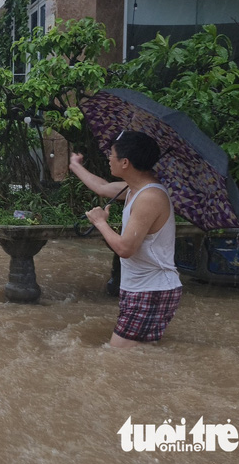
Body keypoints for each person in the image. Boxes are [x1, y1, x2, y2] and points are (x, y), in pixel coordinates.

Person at [68, 131, 182, 349]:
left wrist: (101, 222)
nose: (109, 160)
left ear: (125, 162)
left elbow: (125, 248)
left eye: (111, 155)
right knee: (137, 357)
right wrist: (75, 165)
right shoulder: (133, 189)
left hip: (151, 290)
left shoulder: (150, 197)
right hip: (141, 288)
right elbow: (101, 187)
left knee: (116, 356)